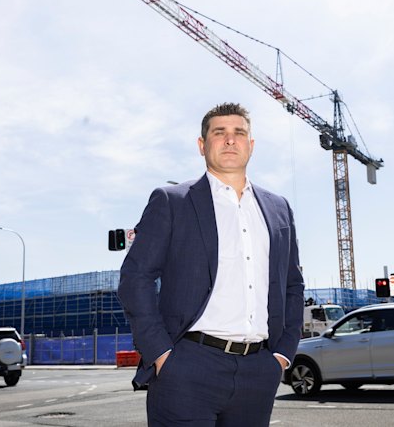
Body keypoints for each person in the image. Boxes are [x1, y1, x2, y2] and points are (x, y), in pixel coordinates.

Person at [118, 102, 305, 426]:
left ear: (251, 145)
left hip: (259, 369)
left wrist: (282, 355)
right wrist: (162, 354)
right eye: (220, 133)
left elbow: (293, 285)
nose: (230, 140)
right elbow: (136, 277)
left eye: (239, 133)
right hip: (187, 367)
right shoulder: (172, 201)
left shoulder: (279, 209)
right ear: (202, 145)